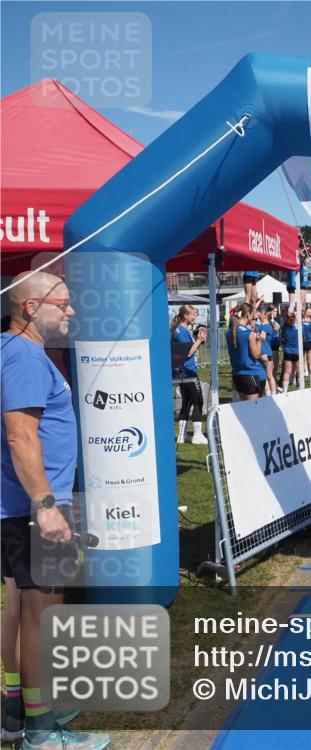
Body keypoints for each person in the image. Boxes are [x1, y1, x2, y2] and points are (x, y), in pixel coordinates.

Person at [2, 272, 111, 750]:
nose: (71, 312)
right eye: (62, 304)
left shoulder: (16, 350)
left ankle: (19, 711)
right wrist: (47, 506)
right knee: (42, 615)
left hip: (27, 503)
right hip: (40, 504)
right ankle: (42, 730)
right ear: (30, 308)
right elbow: (20, 435)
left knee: (24, 609)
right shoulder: (24, 355)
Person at [170, 305, 208, 443]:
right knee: (198, 399)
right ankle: (197, 435)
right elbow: (186, 353)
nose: (195, 317)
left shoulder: (182, 330)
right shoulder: (181, 331)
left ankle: (182, 434)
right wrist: (199, 340)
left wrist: (198, 340)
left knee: (187, 400)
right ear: (185, 316)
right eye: (193, 314)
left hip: (184, 370)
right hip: (187, 371)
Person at [228, 304, 266, 401]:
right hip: (249, 373)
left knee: (243, 409)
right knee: (253, 410)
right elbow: (256, 355)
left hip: (237, 374)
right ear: (248, 314)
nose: (253, 317)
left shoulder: (229, 332)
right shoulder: (248, 333)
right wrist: (260, 341)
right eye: (252, 314)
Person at [278, 309, 302, 392]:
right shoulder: (298, 328)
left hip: (288, 352)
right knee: (299, 370)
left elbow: (282, 338)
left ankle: (285, 390)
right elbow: (303, 338)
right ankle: (300, 387)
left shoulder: (285, 327)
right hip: (297, 352)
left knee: (286, 372)